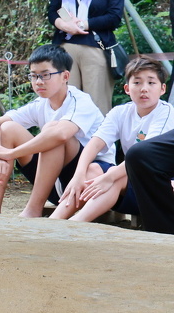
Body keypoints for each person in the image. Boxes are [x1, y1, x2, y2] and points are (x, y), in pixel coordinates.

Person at [0, 44, 113, 217]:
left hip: (88, 179)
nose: (38, 82)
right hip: (53, 182)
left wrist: (11, 153)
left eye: (45, 75)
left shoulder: (81, 101)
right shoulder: (40, 104)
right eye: (34, 76)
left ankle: (33, 209)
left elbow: (61, 134)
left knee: (53, 131)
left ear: (65, 76)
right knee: (7, 129)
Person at [52, 57, 173, 222]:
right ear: (127, 88)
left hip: (160, 189)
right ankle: (55, 221)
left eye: (151, 83)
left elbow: (145, 159)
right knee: (93, 169)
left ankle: (76, 223)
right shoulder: (120, 112)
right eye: (137, 83)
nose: (144, 89)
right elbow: (95, 144)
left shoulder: (166, 113)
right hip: (130, 187)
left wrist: (108, 177)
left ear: (162, 89)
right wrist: (78, 175)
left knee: (116, 175)